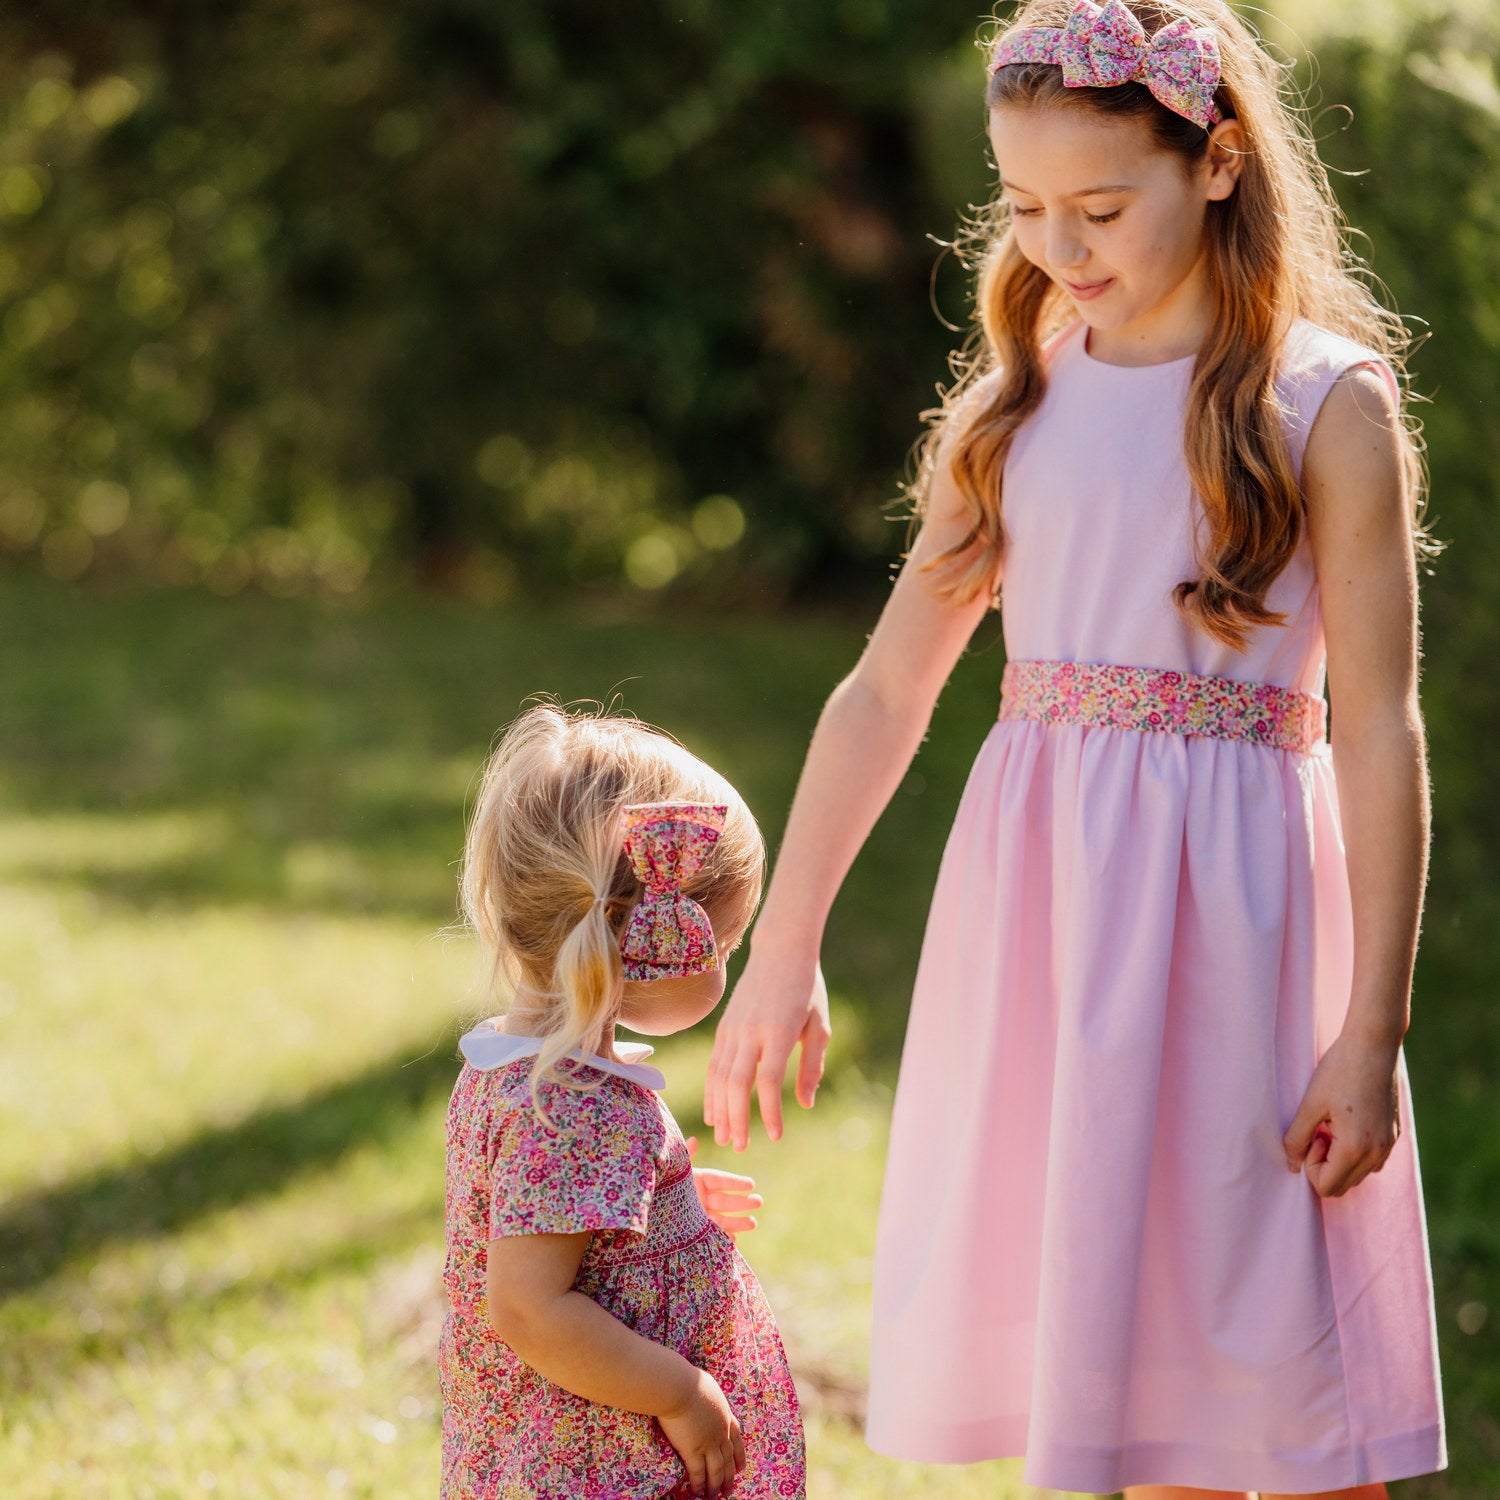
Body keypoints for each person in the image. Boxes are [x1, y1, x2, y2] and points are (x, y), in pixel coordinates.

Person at [702, 1, 1446, 1495]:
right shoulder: (1015, 405)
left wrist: (1370, 1031)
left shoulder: (1323, 408)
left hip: (1243, 931)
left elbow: (1379, 725)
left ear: (1218, 164)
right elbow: (886, 689)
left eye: (1100, 208)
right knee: (1126, 1368)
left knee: (1284, 1377)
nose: (1060, 245)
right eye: (1026, 206)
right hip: (1049, 928)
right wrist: (785, 942)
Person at [440, 702, 806, 1500]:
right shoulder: (578, 1108)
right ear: (660, 943)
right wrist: (681, 1393)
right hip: (605, 1459)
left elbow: (546, 1221)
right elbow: (529, 1308)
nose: (729, 961)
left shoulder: (519, 1066)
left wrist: (662, 1209)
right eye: (725, 943)